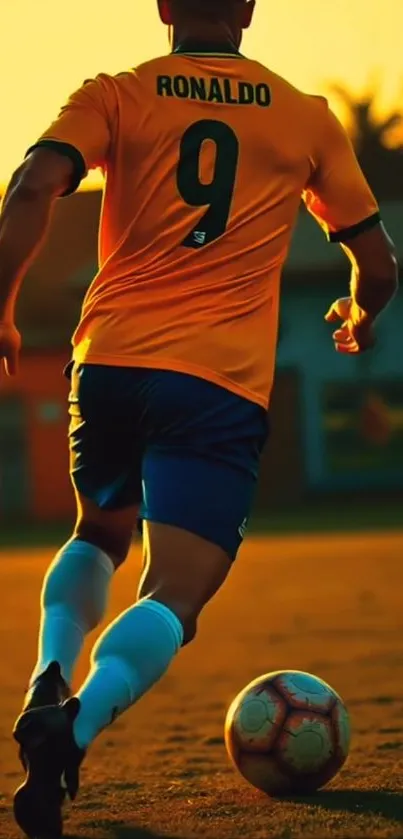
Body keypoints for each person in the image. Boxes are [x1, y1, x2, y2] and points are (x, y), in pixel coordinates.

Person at [0, 0, 398, 836]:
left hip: (106, 361)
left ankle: (47, 673)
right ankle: (72, 725)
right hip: (215, 383)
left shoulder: (115, 91)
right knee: (175, 594)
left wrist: (1, 309)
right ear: (248, 8)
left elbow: (35, 183)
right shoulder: (303, 116)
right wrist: (360, 318)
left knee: (99, 531)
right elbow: (374, 259)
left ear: (163, 7)